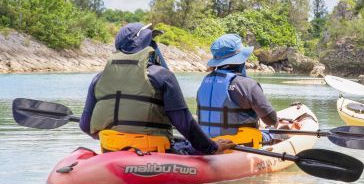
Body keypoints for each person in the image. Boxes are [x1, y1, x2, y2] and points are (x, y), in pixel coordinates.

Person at [79, 22, 232, 155]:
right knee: (190, 146)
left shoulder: (98, 78)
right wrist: (211, 147)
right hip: (152, 151)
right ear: (146, 45)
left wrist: (119, 137)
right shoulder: (162, 75)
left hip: (110, 149)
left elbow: (85, 126)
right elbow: (184, 123)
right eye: (151, 41)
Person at [196, 33, 294, 145]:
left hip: (207, 142)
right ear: (240, 59)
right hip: (237, 144)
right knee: (285, 131)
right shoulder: (247, 85)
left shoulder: (204, 83)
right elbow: (271, 121)